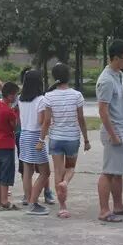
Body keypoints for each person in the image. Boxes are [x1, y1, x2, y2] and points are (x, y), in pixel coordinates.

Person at [38, 63, 90, 218]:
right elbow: (81, 119)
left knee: (58, 171)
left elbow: (47, 121)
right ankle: (65, 182)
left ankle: (62, 207)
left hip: (56, 138)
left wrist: (41, 139)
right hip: (72, 138)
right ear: (68, 76)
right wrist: (86, 139)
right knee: (70, 168)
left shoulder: (48, 96)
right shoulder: (77, 95)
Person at [96, 39, 123, 223]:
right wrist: (113, 135)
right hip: (114, 131)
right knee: (108, 172)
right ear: (115, 58)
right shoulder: (106, 80)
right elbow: (102, 111)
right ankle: (104, 211)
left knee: (118, 171)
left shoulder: (119, 75)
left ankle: (119, 206)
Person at [18, 70, 52, 216]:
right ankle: (33, 203)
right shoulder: (41, 100)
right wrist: (41, 140)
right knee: (45, 172)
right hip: (35, 136)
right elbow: (42, 121)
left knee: (27, 171)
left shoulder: (21, 99)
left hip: (24, 134)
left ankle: (28, 199)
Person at [0, 82, 20, 210]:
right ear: (10, 96)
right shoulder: (9, 111)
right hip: (6, 144)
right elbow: (15, 126)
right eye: (15, 95)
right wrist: (16, 113)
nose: (16, 97)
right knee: (5, 173)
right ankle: (4, 201)